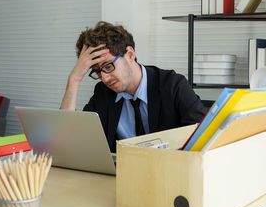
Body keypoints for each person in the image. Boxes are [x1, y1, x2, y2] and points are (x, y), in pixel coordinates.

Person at [60, 21, 207, 152]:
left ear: (130, 55)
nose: (104, 78)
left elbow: (203, 137)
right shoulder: (103, 92)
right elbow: (70, 141)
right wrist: (74, 80)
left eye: (108, 66)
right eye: (98, 72)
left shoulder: (173, 85)